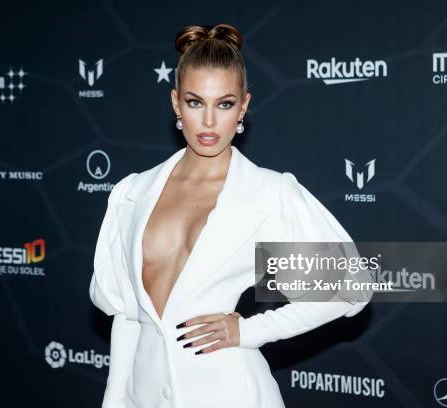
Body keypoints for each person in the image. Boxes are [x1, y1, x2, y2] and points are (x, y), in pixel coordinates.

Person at [89, 23, 374, 408]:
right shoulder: (132, 193)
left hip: (229, 393)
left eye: (224, 104)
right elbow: (128, 317)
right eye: (195, 102)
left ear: (243, 106)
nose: (209, 122)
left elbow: (349, 287)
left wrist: (249, 330)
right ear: (176, 103)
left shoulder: (267, 194)